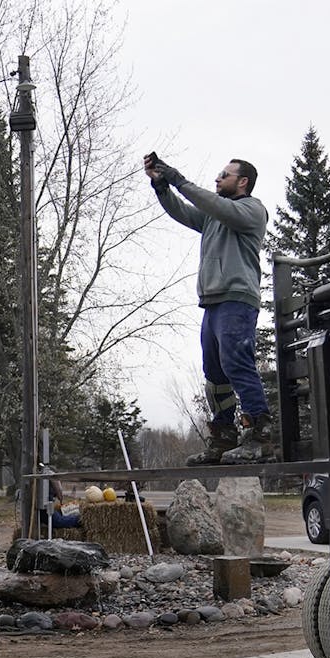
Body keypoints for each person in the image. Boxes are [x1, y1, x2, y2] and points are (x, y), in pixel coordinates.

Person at [144, 153, 273, 464]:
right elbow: (184, 212)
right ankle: (223, 438)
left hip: (237, 299)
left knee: (237, 364)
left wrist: (178, 178)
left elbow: (212, 204)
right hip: (213, 302)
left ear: (242, 182)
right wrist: (162, 187)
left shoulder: (251, 210)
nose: (217, 178)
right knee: (215, 375)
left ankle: (260, 438)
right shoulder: (215, 217)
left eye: (224, 175)